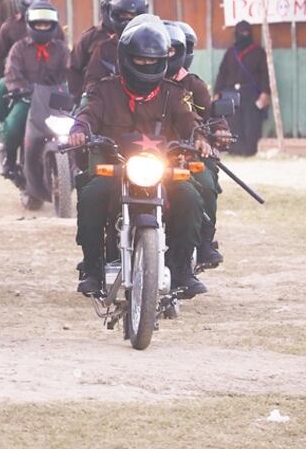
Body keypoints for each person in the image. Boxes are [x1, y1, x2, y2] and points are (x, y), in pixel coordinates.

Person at [69, 15, 209, 299]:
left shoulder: (174, 94)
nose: (145, 65)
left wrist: (199, 137)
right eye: (139, 60)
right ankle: (93, 268)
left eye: (152, 61)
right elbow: (88, 113)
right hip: (117, 168)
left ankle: (182, 269)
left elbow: (188, 118)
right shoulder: (105, 90)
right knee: (91, 194)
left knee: (192, 198)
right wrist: (80, 129)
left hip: (162, 170)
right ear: (125, 58)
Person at [165, 21, 226, 269]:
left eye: (174, 49)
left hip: (189, 153)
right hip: (150, 152)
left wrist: (219, 132)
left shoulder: (194, 85)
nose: (167, 55)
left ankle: (203, 243)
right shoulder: (143, 83)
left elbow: (212, 116)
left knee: (207, 181)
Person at [0, 2, 69, 179]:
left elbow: (70, 71)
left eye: (46, 24)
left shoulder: (61, 49)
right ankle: (10, 159)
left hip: (55, 99)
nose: (42, 28)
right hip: (27, 98)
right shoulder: (19, 48)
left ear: (53, 26)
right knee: (13, 127)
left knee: (75, 128)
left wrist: (72, 87)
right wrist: (19, 88)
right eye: (38, 24)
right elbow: (11, 72)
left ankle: (73, 166)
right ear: (30, 25)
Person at [214, 21, 270, 156]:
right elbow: (222, 73)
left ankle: (250, 151)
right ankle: (235, 151)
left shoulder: (258, 52)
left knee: (251, 122)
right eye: (241, 33)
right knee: (233, 123)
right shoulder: (230, 52)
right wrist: (217, 92)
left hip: (250, 93)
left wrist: (265, 93)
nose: (244, 35)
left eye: (246, 33)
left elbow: (264, 74)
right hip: (230, 92)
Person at [81, 0, 149, 93]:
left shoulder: (152, 45)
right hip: (114, 103)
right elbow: (92, 83)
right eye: (124, 16)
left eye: (132, 16)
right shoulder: (104, 49)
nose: (128, 21)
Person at [69, 0, 123, 100]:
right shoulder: (89, 37)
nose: (120, 16)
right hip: (94, 95)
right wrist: (78, 96)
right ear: (105, 10)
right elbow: (73, 68)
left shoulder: (133, 37)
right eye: (115, 12)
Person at [0, 0, 47, 85]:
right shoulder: (9, 27)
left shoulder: (53, 25)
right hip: (16, 81)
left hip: (47, 82)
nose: (32, 2)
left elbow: (63, 54)